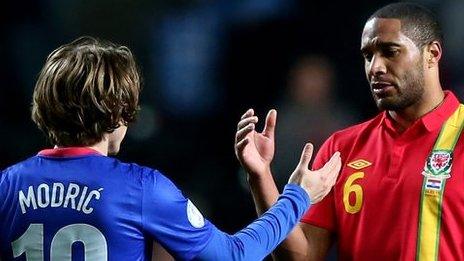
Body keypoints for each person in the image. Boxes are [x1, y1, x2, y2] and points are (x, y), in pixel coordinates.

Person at [0, 36, 342, 261]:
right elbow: (233, 254)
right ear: (119, 111)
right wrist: (297, 197)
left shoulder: (6, 185)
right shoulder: (140, 188)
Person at [235, 2, 464, 260]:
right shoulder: (341, 149)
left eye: (390, 52)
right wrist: (260, 175)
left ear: (432, 54)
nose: (375, 68)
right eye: (368, 56)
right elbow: (302, 256)